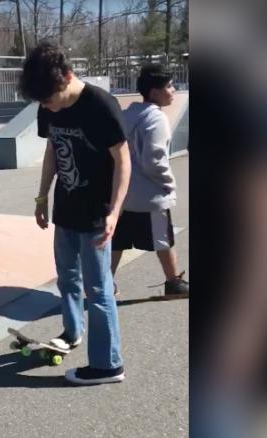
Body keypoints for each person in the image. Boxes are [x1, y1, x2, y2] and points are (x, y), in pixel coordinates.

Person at [20, 42, 131, 385]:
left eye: (51, 99)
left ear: (67, 77)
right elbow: (54, 149)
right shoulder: (47, 104)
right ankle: (72, 332)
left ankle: (108, 365)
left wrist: (114, 212)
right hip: (66, 211)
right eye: (42, 103)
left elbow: (124, 162)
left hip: (97, 214)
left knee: (98, 291)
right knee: (66, 278)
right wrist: (42, 197)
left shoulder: (101, 105)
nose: (48, 107)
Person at [112, 64, 189, 296]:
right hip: (150, 195)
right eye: (169, 86)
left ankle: (106, 284)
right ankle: (173, 283)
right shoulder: (156, 119)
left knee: (118, 241)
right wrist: (169, 184)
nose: (173, 90)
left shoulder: (126, 115)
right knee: (163, 239)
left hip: (123, 193)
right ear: (155, 92)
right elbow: (155, 160)